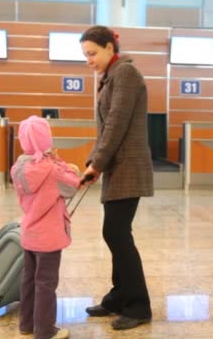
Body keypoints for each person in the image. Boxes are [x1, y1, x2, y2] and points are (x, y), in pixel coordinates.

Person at [79, 25, 154, 331]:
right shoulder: (111, 76)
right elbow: (107, 126)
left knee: (117, 233)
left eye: (93, 53)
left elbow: (116, 124)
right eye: (86, 55)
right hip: (117, 166)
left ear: (110, 47)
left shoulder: (125, 74)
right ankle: (120, 296)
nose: (89, 60)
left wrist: (96, 164)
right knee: (115, 233)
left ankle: (139, 305)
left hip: (128, 166)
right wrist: (94, 163)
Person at [11, 115, 80, 339]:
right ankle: (45, 331)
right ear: (47, 140)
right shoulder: (51, 169)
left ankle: (27, 325)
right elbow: (72, 185)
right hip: (48, 239)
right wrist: (61, 163)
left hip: (29, 234)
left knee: (29, 280)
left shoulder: (18, 168)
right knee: (46, 284)